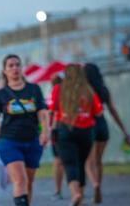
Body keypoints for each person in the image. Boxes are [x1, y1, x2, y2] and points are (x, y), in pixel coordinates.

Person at [0, 54, 49, 206]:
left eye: (17, 64)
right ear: (4, 71)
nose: (15, 68)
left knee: (29, 182)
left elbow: (43, 113)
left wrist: (45, 132)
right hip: (9, 142)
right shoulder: (0, 94)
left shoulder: (34, 89)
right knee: (20, 180)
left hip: (32, 141)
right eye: (10, 66)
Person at [50, 64, 103, 206]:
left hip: (65, 129)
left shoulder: (59, 89)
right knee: (81, 163)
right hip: (86, 132)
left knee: (69, 164)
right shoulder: (88, 90)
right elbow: (98, 112)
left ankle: (75, 193)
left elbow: (53, 110)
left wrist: (52, 130)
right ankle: (85, 192)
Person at [84, 63, 130, 203]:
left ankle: (95, 184)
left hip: (89, 125)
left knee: (88, 161)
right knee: (98, 161)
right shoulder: (104, 90)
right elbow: (113, 110)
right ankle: (98, 184)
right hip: (102, 125)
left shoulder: (85, 91)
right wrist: (124, 131)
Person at [48, 74, 65, 200]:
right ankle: (77, 191)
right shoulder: (72, 90)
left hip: (58, 127)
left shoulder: (56, 89)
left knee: (58, 161)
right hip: (75, 126)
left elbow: (51, 110)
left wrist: (49, 127)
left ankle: (58, 191)